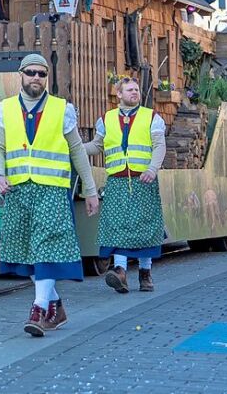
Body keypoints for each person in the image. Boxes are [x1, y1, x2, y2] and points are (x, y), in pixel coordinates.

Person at [0, 54, 99, 337]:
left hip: (52, 190)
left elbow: (77, 150)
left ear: (46, 77)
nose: (36, 78)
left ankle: (38, 309)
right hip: (17, 190)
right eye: (31, 73)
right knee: (26, 252)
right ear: (21, 75)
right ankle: (56, 306)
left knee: (47, 247)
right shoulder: (5, 109)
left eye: (41, 74)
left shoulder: (62, 110)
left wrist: (89, 190)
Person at [85, 77, 166, 293]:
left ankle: (145, 273)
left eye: (137, 90)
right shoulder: (106, 119)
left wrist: (152, 169)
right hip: (117, 182)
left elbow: (159, 146)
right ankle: (120, 271)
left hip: (144, 181)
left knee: (145, 227)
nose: (135, 93)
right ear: (118, 94)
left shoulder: (152, 118)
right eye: (130, 90)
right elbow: (96, 146)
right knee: (117, 226)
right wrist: (74, 148)